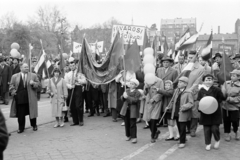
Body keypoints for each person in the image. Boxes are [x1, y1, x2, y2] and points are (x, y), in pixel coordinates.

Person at [9, 63, 40, 133]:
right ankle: (21, 128)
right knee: (21, 114)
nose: (27, 68)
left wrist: (33, 84)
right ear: (21, 68)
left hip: (30, 97)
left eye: (27, 67)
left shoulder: (33, 75)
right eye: (25, 67)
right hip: (19, 98)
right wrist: (13, 91)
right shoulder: (14, 76)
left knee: (32, 112)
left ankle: (34, 125)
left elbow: (38, 85)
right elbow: (11, 85)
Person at [197, 74, 225, 151]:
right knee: (206, 130)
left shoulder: (217, 89)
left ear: (213, 81)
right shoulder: (201, 91)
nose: (208, 81)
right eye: (206, 80)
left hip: (215, 112)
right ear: (203, 81)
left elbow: (222, 98)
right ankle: (208, 143)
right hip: (205, 112)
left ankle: (217, 139)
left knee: (214, 128)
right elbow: (199, 101)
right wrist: (200, 108)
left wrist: (224, 92)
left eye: (210, 80)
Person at [166, 76, 194, 148]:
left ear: (185, 84)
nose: (179, 83)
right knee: (179, 126)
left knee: (182, 127)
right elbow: (173, 101)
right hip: (176, 111)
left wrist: (184, 106)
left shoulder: (188, 92)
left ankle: (182, 141)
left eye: (181, 82)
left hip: (183, 112)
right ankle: (183, 138)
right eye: (179, 82)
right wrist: (169, 107)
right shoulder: (176, 91)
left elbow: (191, 103)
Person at [186, 51, 205, 137]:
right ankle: (187, 127)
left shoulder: (201, 68)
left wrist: (191, 89)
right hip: (184, 93)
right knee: (185, 110)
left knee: (194, 112)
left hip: (194, 93)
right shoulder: (186, 67)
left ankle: (193, 129)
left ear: (196, 58)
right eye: (189, 57)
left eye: (192, 57)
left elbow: (198, 81)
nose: (190, 59)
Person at [156, 56, 178, 127]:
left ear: (170, 63)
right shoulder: (159, 70)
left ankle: (166, 121)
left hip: (168, 90)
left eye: (167, 62)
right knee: (160, 104)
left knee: (166, 105)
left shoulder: (174, 71)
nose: (165, 64)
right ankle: (160, 120)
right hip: (160, 89)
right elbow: (156, 79)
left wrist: (170, 88)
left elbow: (175, 82)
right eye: (164, 62)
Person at [65, 58, 87, 126]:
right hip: (71, 89)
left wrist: (78, 80)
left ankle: (80, 120)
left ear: (75, 65)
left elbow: (85, 81)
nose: (72, 67)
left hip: (78, 88)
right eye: (70, 66)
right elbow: (66, 83)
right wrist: (70, 86)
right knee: (72, 106)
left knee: (78, 105)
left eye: (73, 65)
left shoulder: (79, 73)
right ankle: (75, 121)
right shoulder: (67, 74)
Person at [143, 76, 164, 143]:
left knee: (153, 119)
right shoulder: (147, 80)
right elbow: (145, 93)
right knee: (148, 120)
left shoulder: (160, 81)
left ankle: (152, 136)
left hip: (156, 103)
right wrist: (146, 88)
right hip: (148, 102)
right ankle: (155, 131)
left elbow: (162, 92)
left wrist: (154, 99)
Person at [120, 78, 141, 143]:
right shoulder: (127, 90)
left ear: (136, 85)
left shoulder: (137, 92)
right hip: (126, 109)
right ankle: (128, 135)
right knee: (127, 123)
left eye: (133, 84)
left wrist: (127, 97)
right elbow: (122, 99)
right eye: (131, 83)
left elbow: (135, 100)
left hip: (133, 109)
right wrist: (123, 96)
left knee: (133, 123)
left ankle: (134, 137)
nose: (131, 85)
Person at [222, 69, 240, 141]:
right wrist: (223, 94)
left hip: (234, 107)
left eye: (234, 75)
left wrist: (229, 99)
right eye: (231, 75)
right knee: (226, 120)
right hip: (225, 106)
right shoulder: (226, 83)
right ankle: (227, 133)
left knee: (235, 120)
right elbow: (223, 92)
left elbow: (239, 98)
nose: (232, 77)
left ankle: (236, 131)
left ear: (238, 77)